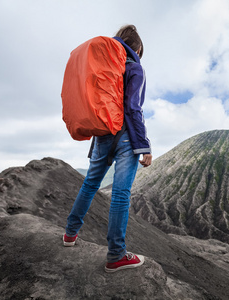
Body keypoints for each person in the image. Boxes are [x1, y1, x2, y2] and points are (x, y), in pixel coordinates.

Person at [63, 25, 152, 273]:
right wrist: (144, 146)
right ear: (138, 48)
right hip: (126, 138)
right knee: (121, 195)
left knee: (90, 184)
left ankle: (70, 234)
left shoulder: (105, 65)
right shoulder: (135, 68)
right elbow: (134, 109)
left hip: (102, 135)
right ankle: (116, 255)